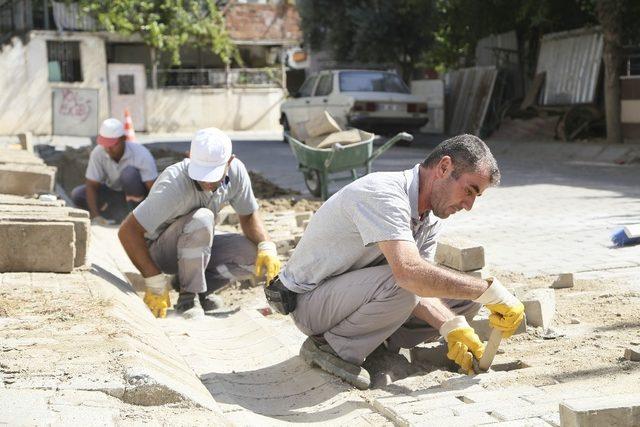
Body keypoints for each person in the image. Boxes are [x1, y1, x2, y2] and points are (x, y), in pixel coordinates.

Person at [266, 134, 525, 389]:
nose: (468, 205)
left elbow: (423, 287)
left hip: (353, 297)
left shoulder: (429, 218)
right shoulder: (383, 193)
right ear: (444, 167)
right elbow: (409, 275)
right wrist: (489, 291)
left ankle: (377, 345)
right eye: (469, 191)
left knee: (462, 301)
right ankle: (329, 346)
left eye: (475, 197)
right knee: (410, 282)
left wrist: (452, 325)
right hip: (311, 302)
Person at [118, 127, 281, 319]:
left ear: (229, 161)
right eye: (202, 173)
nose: (207, 182)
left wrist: (266, 245)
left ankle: (194, 288)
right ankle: (188, 298)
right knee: (203, 218)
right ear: (189, 156)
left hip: (195, 243)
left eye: (213, 174)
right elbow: (128, 232)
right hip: (161, 253)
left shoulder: (236, 172)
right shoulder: (172, 184)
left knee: (251, 255)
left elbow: (249, 216)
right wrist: (154, 280)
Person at [71, 118, 158, 224]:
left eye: (112, 145)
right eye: (105, 144)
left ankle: (134, 218)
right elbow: (92, 185)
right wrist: (95, 216)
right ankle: (114, 216)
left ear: (123, 139)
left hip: (137, 197)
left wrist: (154, 217)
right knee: (78, 194)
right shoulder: (98, 153)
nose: (108, 149)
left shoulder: (141, 155)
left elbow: (153, 190)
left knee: (129, 174)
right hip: (114, 195)